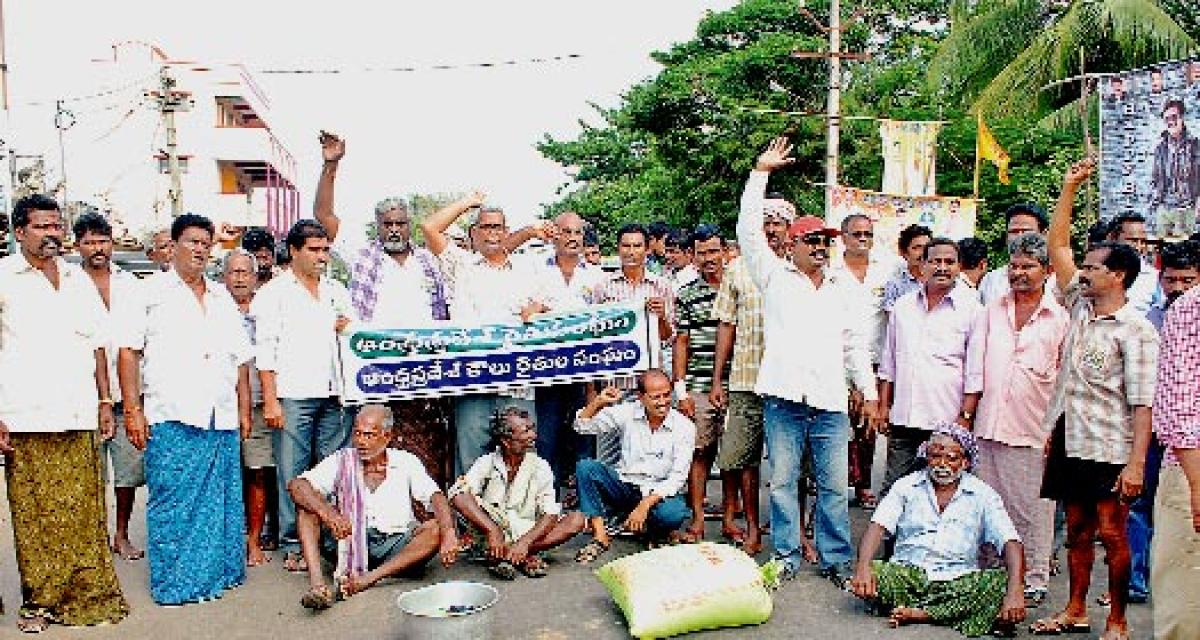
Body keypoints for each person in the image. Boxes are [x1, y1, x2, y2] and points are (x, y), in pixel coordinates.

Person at [738, 138, 880, 584]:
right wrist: (761, 172)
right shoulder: (774, 275)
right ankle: (786, 555)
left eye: (826, 242)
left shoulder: (844, 287)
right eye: (813, 241)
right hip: (782, 400)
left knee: (835, 487)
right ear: (793, 245)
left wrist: (870, 395)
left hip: (831, 403)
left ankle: (836, 558)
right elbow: (747, 231)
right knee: (782, 484)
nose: (821, 247)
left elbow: (856, 345)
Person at [1030, 158, 1158, 639]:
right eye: (1083, 267)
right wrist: (1068, 187)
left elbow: (1143, 404)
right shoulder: (1080, 305)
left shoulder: (1138, 331)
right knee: (1078, 530)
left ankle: (1119, 620)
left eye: (1092, 268)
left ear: (1119, 276)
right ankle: (1076, 609)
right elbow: (1057, 244)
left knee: (1112, 533)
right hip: (1071, 435)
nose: (1082, 272)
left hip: (1113, 446)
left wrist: (1135, 464)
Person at [0, 195, 128, 632]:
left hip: (78, 413)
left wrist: (105, 400)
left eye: (56, 226)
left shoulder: (76, 280)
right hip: (24, 418)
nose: (51, 234)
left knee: (83, 510)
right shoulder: (4, 278)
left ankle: (87, 596)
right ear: (20, 232)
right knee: (34, 515)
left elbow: (97, 345)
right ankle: (38, 603)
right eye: (41, 226)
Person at [117, 213, 253, 606]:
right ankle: (177, 584)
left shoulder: (219, 296)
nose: (199, 249)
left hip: (219, 414)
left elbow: (240, 359)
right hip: (173, 414)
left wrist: (244, 410)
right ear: (172, 245)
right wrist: (132, 410)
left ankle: (216, 576)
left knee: (220, 501)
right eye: (191, 241)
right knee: (173, 502)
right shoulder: (148, 293)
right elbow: (128, 351)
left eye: (205, 243)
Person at [313, 131, 455, 485]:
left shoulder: (428, 260)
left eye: (400, 222)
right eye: (387, 223)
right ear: (377, 226)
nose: (394, 229)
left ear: (409, 224)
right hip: (378, 371)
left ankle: (428, 520)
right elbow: (324, 217)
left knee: (430, 445)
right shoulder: (362, 255)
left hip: (424, 371)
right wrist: (330, 166)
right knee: (379, 446)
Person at [850, 425, 1027, 638]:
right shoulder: (906, 486)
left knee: (1000, 583)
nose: (942, 464)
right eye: (935, 456)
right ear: (926, 457)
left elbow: (1010, 541)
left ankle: (921, 613)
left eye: (951, 458)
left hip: (958, 579)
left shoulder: (983, 495)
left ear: (965, 462)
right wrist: (862, 568)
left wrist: (1016, 589)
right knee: (875, 573)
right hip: (908, 574)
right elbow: (877, 526)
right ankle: (947, 612)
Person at [251, 219, 354, 573]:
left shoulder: (337, 290)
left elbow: (354, 336)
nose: (321, 256)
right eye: (313, 249)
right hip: (293, 395)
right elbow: (264, 351)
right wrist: (271, 399)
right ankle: (295, 542)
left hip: (334, 393)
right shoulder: (272, 295)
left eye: (325, 250)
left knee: (330, 469)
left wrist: (346, 327)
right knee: (293, 472)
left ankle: (327, 537)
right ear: (293, 251)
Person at [972, 232, 1069, 606]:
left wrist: (1054, 429)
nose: (1019, 273)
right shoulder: (991, 310)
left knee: (1033, 510)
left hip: (1034, 429)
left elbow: (1064, 379)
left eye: (1028, 266)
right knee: (988, 503)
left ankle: (1033, 578)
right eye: (1014, 266)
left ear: (1046, 271)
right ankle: (993, 573)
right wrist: (968, 415)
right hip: (988, 425)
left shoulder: (1059, 318)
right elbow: (975, 368)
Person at [289, 405, 459, 610]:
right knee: (307, 508)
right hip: (347, 541)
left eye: (369, 435)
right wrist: (329, 514)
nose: (361, 442)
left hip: (394, 546)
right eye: (357, 434)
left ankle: (368, 579)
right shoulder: (342, 460)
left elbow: (436, 497)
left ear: (387, 437)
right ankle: (317, 586)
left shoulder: (405, 461)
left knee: (435, 529)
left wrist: (449, 532)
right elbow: (297, 486)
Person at [420, 192, 541, 477]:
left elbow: (548, 314)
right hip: (473, 380)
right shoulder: (460, 266)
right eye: (485, 227)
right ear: (473, 233)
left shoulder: (527, 270)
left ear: (506, 232)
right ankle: (471, 521)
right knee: (473, 460)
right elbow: (429, 227)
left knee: (522, 459)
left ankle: (520, 521)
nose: (492, 233)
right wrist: (468, 203)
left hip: (517, 381)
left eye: (497, 227)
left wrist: (538, 310)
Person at [711, 194, 794, 557]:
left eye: (779, 223)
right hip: (746, 379)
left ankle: (796, 534)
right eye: (767, 223)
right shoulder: (738, 268)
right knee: (743, 459)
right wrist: (718, 379)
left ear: (790, 229)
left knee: (792, 462)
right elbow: (726, 326)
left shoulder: (800, 268)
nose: (772, 229)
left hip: (790, 381)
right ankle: (753, 530)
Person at [878, 238, 984, 495]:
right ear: (922, 265)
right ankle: (894, 538)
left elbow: (975, 372)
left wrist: (965, 419)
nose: (942, 268)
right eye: (935, 261)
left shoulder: (973, 310)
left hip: (946, 422)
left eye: (950, 262)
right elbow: (889, 361)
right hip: (904, 418)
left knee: (942, 493)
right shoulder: (902, 307)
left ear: (959, 267)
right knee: (896, 492)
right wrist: (883, 406)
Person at [1126, 240, 1199, 605]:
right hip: (1166, 443)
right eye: (1171, 279)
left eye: (1187, 279)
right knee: (1141, 508)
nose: (1178, 287)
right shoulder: (1165, 314)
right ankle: (1136, 581)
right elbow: (1177, 403)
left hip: (1179, 442)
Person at [74, 212, 146, 562]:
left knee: (128, 472)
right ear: (78, 246)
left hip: (128, 395)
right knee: (89, 474)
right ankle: (93, 539)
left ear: (112, 243)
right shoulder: (69, 284)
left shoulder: (132, 284)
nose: (97, 248)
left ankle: (121, 534)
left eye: (102, 241)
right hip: (83, 397)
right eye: (89, 242)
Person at [571, 372, 695, 564]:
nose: (663, 402)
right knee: (586, 468)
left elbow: (677, 479)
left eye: (667, 395)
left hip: (657, 494)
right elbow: (582, 426)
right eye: (655, 397)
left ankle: (653, 533)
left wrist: (645, 505)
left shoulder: (684, 426)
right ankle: (600, 535)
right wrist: (598, 402)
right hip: (626, 485)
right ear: (641, 397)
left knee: (674, 513)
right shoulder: (628, 411)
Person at [450, 406, 586, 579]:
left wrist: (525, 542)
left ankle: (510, 555)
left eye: (532, 429)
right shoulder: (487, 462)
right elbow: (458, 494)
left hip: (528, 532)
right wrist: (493, 530)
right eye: (526, 431)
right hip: (491, 533)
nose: (533, 436)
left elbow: (550, 513)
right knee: (464, 495)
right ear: (506, 441)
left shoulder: (540, 465)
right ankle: (522, 558)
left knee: (576, 519)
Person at [587, 223, 676, 464]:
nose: (631, 251)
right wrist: (594, 388)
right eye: (626, 245)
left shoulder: (662, 286)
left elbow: (668, 337)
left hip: (649, 387)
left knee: (646, 455)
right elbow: (595, 338)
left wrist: (661, 317)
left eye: (637, 246)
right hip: (614, 385)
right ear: (618, 249)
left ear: (647, 250)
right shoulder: (603, 288)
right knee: (607, 456)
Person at [830, 213, 903, 509]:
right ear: (843, 237)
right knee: (837, 426)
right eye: (857, 234)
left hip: (874, 359)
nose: (862, 239)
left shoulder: (887, 271)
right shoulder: (831, 271)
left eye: (867, 234)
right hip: (836, 361)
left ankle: (862, 487)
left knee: (867, 430)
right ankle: (831, 484)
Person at [530, 212, 605, 497]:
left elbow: (604, 322)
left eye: (578, 233)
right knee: (547, 438)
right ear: (555, 235)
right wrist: (552, 317)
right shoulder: (537, 272)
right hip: (546, 369)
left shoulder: (596, 276)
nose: (573, 238)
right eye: (567, 232)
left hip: (586, 371)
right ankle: (548, 502)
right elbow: (527, 312)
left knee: (584, 434)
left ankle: (586, 505)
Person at [1150, 274, 1200, 639]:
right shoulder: (1189, 310)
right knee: (1186, 608)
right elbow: (1178, 408)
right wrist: (1197, 485)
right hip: (1190, 469)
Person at [672, 224, 728, 544]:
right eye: (702, 252)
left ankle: (731, 518)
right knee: (700, 452)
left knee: (736, 457)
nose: (709, 258)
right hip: (698, 383)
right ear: (693, 256)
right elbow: (681, 342)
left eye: (713, 251)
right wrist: (681, 390)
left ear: (725, 252)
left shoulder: (738, 289)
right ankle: (697, 518)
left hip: (738, 383)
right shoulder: (688, 294)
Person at [223, 249, 277, 567]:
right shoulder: (213, 307)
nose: (240, 278)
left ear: (255, 277)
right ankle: (230, 539)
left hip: (259, 402)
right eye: (234, 272)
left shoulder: (266, 309)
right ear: (224, 276)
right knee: (227, 475)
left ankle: (254, 540)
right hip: (219, 406)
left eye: (246, 272)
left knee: (258, 473)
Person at [978, 204, 1050, 305]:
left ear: (1044, 234)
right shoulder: (991, 281)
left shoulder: (1058, 282)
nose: (1019, 237)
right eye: (1014, 232)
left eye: (1026, 231)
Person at [1150, 99, 1200, 238]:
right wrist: (1155, 202)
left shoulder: (1195, 144)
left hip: (1187, 209)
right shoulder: (1160, 147)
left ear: (1182, 117)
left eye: (1174, 117)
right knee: (1162, 253)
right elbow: (1155, 178)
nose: (1170, 122)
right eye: (1167, 119)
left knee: (1184, 254)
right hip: (1164, 209)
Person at [1106, 213, 1162, 316]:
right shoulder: (1095, 273)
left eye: (1143, 241)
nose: (1139, 247)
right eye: (1133, 240)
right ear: (1112, 238)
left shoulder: (1155, 278)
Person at [881, 224, 932, 313]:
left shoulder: (943, 281)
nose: (923, 253)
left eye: (927, 247)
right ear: (904, 252)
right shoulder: (895, 286)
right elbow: (893, 322)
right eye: (917, 248)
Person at [663, 228, 698, 294]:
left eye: (672, 252)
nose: (667, 256)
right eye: (666, 251)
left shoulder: (696, 279)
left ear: (688, 252)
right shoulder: (665, 275)